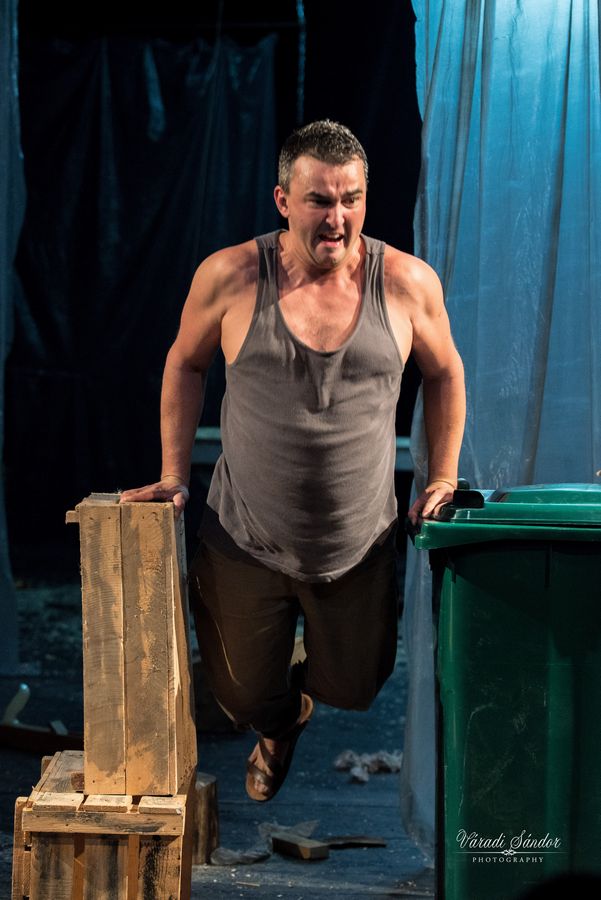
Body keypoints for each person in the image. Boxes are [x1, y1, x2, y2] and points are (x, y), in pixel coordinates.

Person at [120, 120, 465, 802]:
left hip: (356, 543)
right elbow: (184, 363)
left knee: (356, 686)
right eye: (318, 201)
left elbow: (445, 372)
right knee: (240, 695)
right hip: (245, 535)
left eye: (350, 199)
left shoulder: (405, 283)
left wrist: (443, 476)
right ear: (283, 201)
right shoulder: (231, 277)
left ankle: (302, 699)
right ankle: (277, 726)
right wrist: (172, 473)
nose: (337, 219)